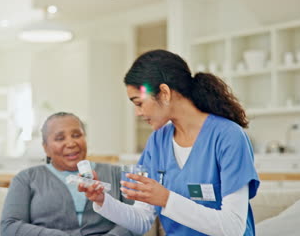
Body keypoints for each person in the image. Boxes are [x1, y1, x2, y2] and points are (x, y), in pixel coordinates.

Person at [79, 50, 260, 236]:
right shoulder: (158, 142)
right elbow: (142, 220)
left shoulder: (228, 136)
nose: (138, 113)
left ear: (164, 93)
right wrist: (102, 201)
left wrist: (166, 199)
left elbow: (233, 227)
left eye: (139, 103)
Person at [0, 112, 140, 236]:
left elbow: (137, 219)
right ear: (46, 148)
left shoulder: (116, 174)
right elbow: (10, 227)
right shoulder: (26, 179)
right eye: (60, 138)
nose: (71, 143)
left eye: (76, 135)